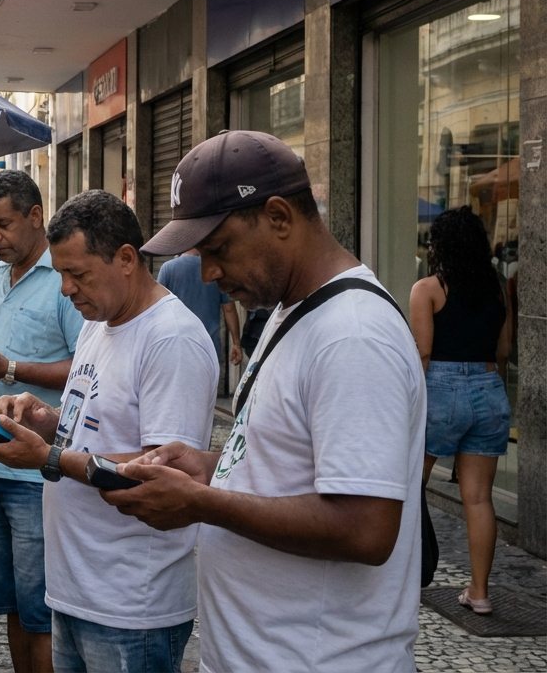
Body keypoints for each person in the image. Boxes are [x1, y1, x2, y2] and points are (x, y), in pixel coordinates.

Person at [116, 130, 424, 671]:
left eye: (219, 250)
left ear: (279, 217)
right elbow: (292, 466)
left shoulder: (352, 334)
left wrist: (200, 503)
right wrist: (209, 469)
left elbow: (366, 527)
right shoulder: (294, 308)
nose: (208, 274)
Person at [0, 190, 215, 673]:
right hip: (77, 586)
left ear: (126, 259)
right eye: (62, 273)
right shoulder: (99, 321)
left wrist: (46, 457)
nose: (65, 289)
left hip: (131, 602)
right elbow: (94, 422)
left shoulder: (170, 339)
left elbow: (158, 472)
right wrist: (43, 415)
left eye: (77, 273)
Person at [0, 171, 83, 673]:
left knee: (40, 608)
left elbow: (85, 366)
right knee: (8, 601)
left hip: (35, 472)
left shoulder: (65, 281)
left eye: (4, 224)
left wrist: (8, 368)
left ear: (34, 216)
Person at [410, 206, 512, 614]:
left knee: (409, 485)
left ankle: (399, 578)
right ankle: (480, 592)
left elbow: (423, 352)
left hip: (441, 389)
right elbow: (504, 351)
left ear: (440, 246)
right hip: (489, 388)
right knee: (479, 499)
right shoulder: (499, 287)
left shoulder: (428, 289)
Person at [157, 248, 243, 367]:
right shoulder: (215, 271)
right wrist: (236, 343)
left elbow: (157, 308)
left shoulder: (168, 268)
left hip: (177, 346)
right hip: (209, 346)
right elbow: (229, 309)